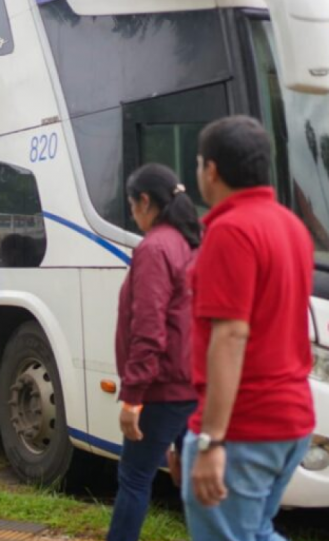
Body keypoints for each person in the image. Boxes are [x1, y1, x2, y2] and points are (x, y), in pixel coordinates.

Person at [183, 116, 315, 541]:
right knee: (256, 531)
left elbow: (231, 335)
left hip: (245, 426)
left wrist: (211, 442)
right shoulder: (292, 227)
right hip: (291, 420)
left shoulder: (230, 230)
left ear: (212, 170)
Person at [107, 163, 201, 541]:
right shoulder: (192, 243)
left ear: (145, 201)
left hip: (161, 389)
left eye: (132, 206)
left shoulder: (154, 248)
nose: (132, 215)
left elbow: (149, 329)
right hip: (191, 383)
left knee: (133, 479)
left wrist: (133, 399)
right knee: (193, 484)